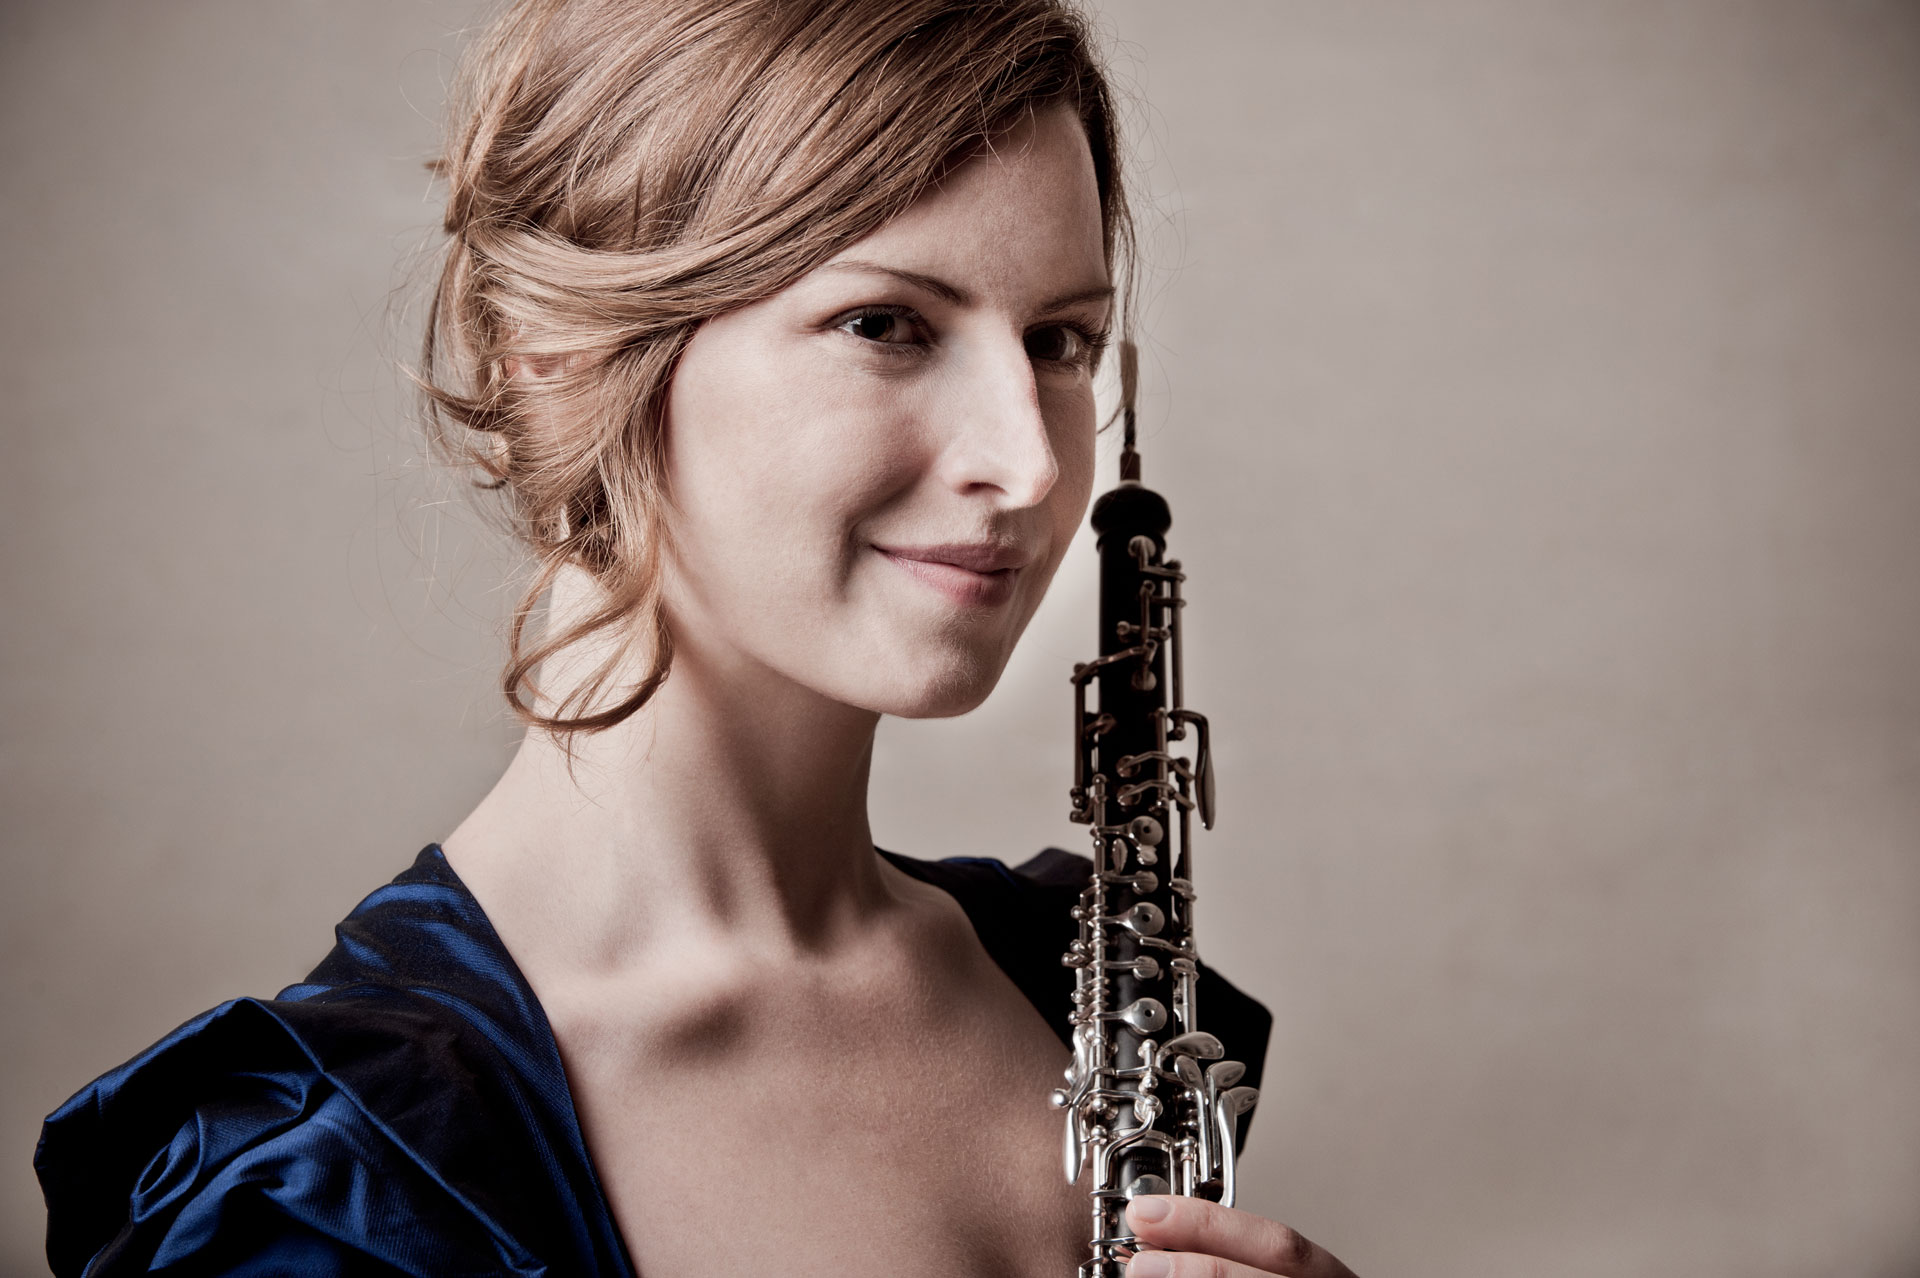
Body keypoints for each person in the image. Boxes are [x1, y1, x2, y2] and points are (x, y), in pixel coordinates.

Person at [36, 2, 1359, 1275]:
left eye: (1059, 340)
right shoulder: (335, 1185)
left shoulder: (1081, 986)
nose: (1028, 464)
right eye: (886, 325)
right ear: (557, 350)